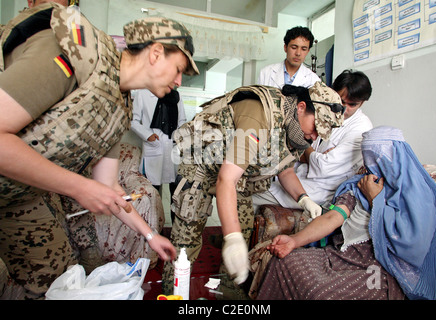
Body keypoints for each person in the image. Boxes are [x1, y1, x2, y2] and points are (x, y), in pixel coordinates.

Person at [0, 3, 199, 298]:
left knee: (59, 280)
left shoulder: (119, 107)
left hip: (19, 196)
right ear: (156, 53)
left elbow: (108, 186)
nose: (179, 81)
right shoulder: (73, 54)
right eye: (179, 69)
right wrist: (80, 187)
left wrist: (151, 235)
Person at [161, 81, 345, 292]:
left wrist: (304, 198)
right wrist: (231, 237)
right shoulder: (260, 115)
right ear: (301, 107)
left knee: (244, 228)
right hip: (201, 167)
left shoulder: (295, 132)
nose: (314, 137)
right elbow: (226, 180)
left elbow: (284, 170)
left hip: (235, 172)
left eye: (320, 134)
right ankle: (172, 293)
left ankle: (228, 292)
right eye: (315, 128)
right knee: (186, 240)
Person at [256, 126, 436, 300]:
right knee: (285, 262)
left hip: (385, 269)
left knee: (321, 293)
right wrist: (294, 241)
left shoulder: (420, 195)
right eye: (369, 157)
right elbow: (333, 217)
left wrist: (376, 200)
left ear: (397, 156)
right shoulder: (361, 185)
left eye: (379, 157)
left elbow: (413, 245)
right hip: (344, 256)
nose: (374, 165)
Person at [253, 70, 373, 210]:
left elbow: (324, 167)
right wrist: (314, 154)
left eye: (352, 105)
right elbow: (297, 149)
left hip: (320, 188)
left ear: (362, 103)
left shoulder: (361, 128)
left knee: (253, 194)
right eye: (341, 101)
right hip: (297, 173)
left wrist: (307, 150)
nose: (344, 109)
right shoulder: (326, 111)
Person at [131, 88, 186, 222]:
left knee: (176, 194)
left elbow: (182, 121)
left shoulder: (176, 96)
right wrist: (148, 135)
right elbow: (133, 121)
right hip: (154, 146)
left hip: (173, 147)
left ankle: (176, 230)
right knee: (153, 193)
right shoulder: (142, 94)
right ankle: (155, 228)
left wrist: (179, 137)